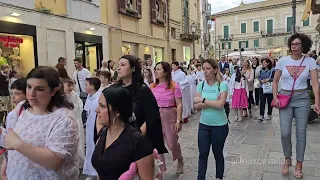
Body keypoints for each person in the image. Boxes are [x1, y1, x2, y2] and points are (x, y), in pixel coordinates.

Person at [1, 66, 79, 179]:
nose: (31, 94)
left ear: (53, 91)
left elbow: (54, 161)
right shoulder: (22, 108)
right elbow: (12, 140)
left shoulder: (63, 119)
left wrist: (19, 145)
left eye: (39, 89)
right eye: (29, 87)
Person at [272, 33, 320, 179]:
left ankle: (299, 164)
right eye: (292, 44)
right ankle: (287, 159)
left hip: (302, 98)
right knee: (285, 132)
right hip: (285, 98)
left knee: (301, 134)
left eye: (297, 44)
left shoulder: (310, 61)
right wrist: (275, 97)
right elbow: (275, 81)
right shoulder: (282, 61)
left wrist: (317, 101)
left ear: (303, 45)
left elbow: (315, 83)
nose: (294, 46)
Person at [92, 86, 154, 180]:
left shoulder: (137, 141)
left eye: (102, 106)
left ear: (117, 112)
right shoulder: (103, 134)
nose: (97, 110)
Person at [115, 55, 168, 157]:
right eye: (118, 65)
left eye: (122, 65)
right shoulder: (116, 89)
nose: (118, 68)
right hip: (118, 139)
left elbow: (151, 117)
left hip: (137, 139)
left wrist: (137, 136)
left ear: (133, 68)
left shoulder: (143, 90)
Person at [193, 59, 229, 180]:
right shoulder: (201, 85)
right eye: (203, 68)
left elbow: (220, 105)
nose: (205, 71)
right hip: (204, 124)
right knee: (203, 154)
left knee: (217, 153)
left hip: (220, 125)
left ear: (215, 70)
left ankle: (219, 177)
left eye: (208, 68)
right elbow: (196, 106)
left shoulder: (222, 85)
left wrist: (203, 100)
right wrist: (212, 102)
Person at [150, 62, 184, 175]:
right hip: (155, 116)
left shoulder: (174, 85)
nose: (156, 71)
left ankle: (179, 158)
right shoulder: (152, 86)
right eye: (155, 69)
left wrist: (179, 120)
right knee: (157, 144)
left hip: (170, 115)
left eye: (158, 69)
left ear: (165, 72)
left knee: (172, 143)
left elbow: (179, 104)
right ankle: (161, 170)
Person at [62, 78, 85, 168]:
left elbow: (80, 107)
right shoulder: (60, 96)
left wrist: (72, 105)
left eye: (72, 85)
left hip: (75, 120)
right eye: (68, 85)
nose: (71, 87)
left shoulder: (74, 95)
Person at [83, 78, 101, 180]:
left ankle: (95, 172)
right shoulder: (90, 97)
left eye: (86, 85)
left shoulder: (99, 97)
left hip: (96, 126)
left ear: (92, 86)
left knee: (95, 147)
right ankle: (91, 172)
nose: (85, 87)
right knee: (90, 148)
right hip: (89, 126)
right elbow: (87, 111)